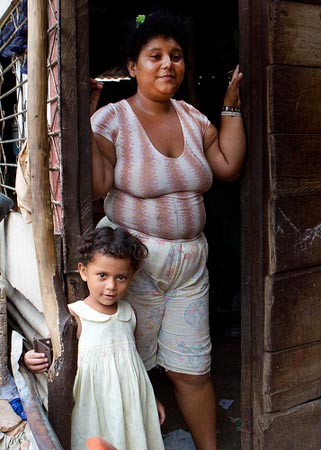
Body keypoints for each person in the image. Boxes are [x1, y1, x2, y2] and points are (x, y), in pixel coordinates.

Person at [89, 8, 246, 450]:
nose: (167, 64)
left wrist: (230, 101)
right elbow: (99, 184)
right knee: (129, 367)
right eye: (154, 56)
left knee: (191, 370)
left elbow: (229, 166)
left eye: (175, 56)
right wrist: (84, 117)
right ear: (133, 67)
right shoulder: (112, 119)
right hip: (131, 266)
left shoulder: (194, 119)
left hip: (189, 265)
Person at [24, 226, 166, 450]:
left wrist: (150, 399)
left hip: (130, 403)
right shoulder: (74, 316)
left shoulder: (129, 314)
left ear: (132, 276)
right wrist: (30, 359)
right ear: (83, 271)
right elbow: (52, 354)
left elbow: (133, 363)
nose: (111, 286)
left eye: (121, 277)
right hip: (94, 405)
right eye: (102, 275)